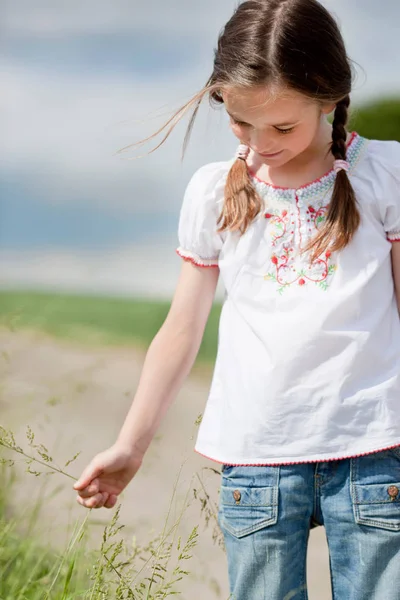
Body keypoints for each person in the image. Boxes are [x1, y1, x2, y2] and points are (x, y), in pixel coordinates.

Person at [73, 0, 400, 597]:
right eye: (241, 123)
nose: (259, 144)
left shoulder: (386, 175)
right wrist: (131, 443)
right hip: (258, 461)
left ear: (329, 96)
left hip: (376, 452)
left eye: (282, 127)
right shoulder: (211, 193)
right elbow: (181, 329)